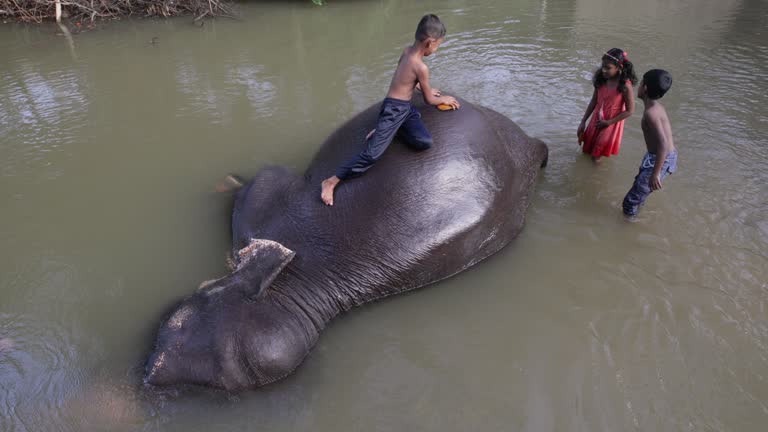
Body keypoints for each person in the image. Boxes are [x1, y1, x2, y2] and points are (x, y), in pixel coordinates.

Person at [320, 14, 460, 206]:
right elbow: (429, 100)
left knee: (424, 141)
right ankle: (332, 181)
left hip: (404, 108)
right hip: (394, 110)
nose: (436, 50)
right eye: (438, 46)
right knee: (371, 155)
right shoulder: (421, 67)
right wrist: (442, 98)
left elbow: (405, 77)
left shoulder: (406, 51)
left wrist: (420, 86)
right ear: (430, 42)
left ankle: (391, 131)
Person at [622, 69, 677, 217]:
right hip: (657, 157)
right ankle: (635, 216)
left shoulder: (651, 114)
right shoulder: (656, 108)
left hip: (661, 159)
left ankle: (628, 228)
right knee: (638, 192)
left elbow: (663, 145)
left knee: (629, 202)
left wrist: (655, 174)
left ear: (644, 88)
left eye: (640, 83)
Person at [577, 48, 637, 161]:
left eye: (608, 68)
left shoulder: (625, 86)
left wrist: (609, 122)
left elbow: (630, 111)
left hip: (610, 123)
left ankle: (594, 176)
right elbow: (594, 101)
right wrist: (583, 121)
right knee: (586, 150)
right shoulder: (601, 79)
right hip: (596, 120)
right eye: (603, 66)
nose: (603, 70)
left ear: (619, 67)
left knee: (596, 156)